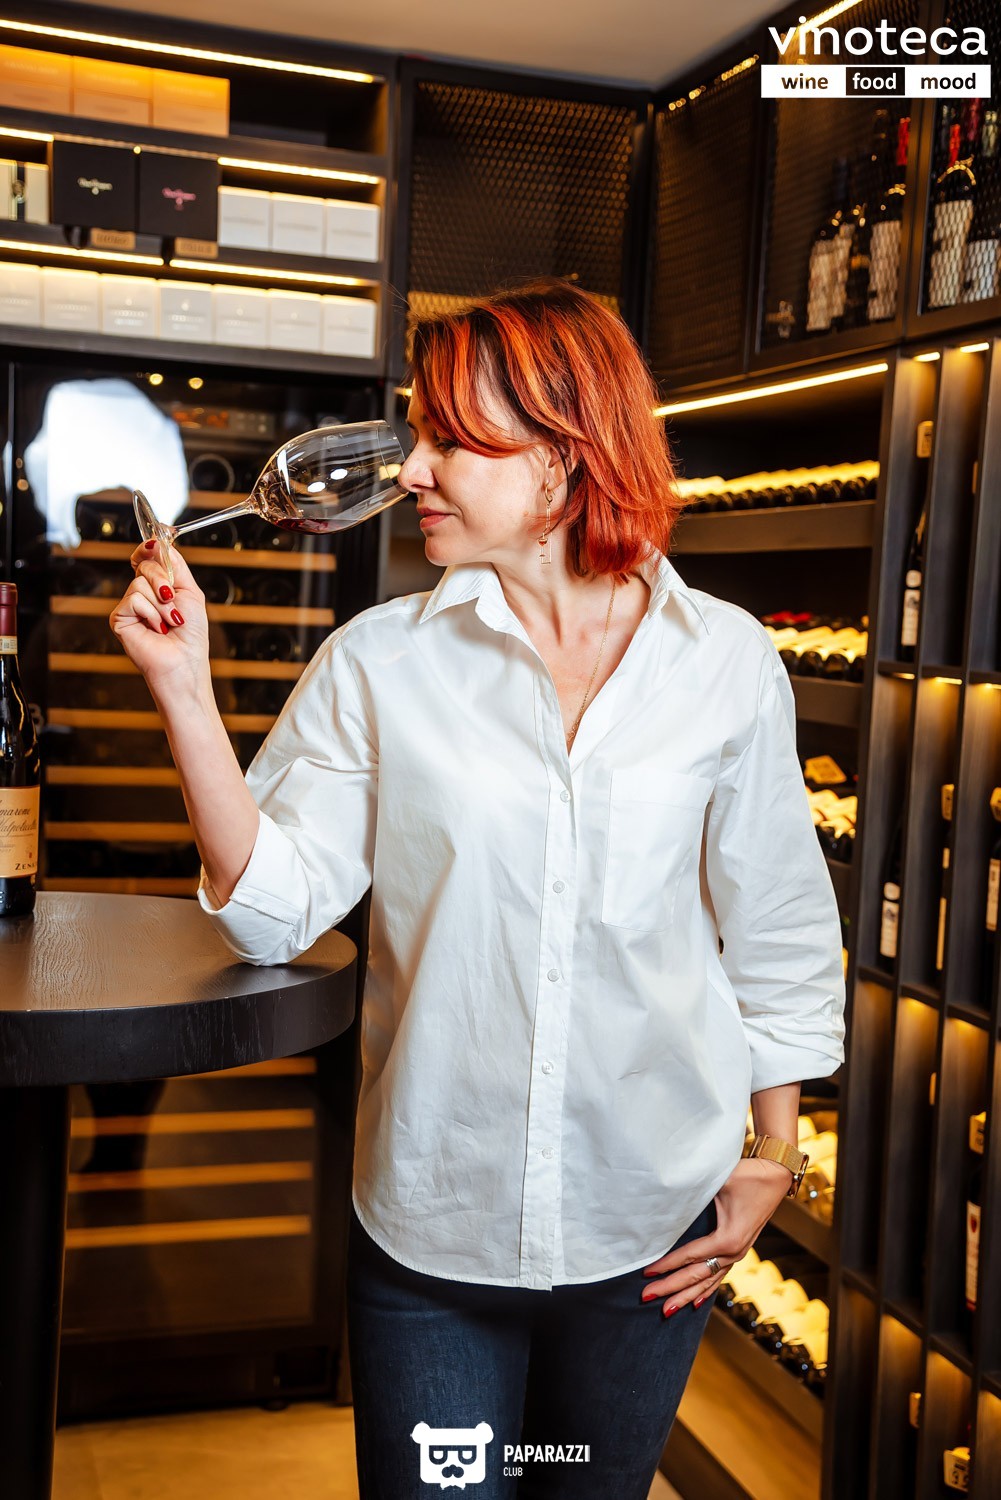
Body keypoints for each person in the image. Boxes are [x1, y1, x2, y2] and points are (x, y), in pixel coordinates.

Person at [110, 277, 846, 1499]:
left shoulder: (723, 661)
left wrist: (776, 1153)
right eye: (417, 434)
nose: (411, 470)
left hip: (649, 1227)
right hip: (431, 1234)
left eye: (451, 439)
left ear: (563, 455)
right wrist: (184, 688)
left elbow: (775, 924)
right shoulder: (379, 663)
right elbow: (273, 910)